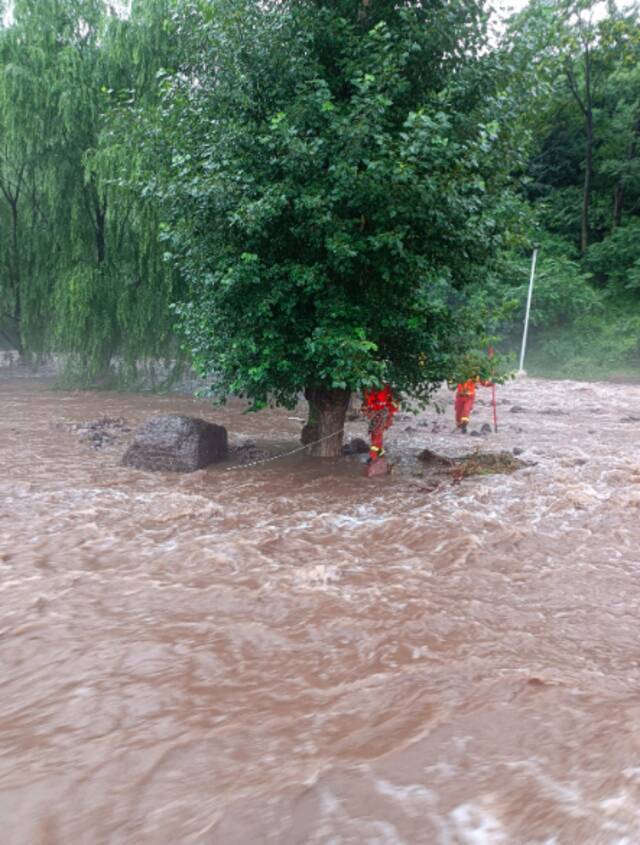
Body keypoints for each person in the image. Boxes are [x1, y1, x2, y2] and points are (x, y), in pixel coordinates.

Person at [362, 384, 398, 462]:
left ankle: (374, 456)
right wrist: (366, 412)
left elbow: (394, 405)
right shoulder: (368, 388)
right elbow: (365, 405)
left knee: (376, 437)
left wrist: (388, 414)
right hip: (374, 418)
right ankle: (380, 454)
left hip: (383, 417)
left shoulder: (387, 388)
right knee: (376, 437)